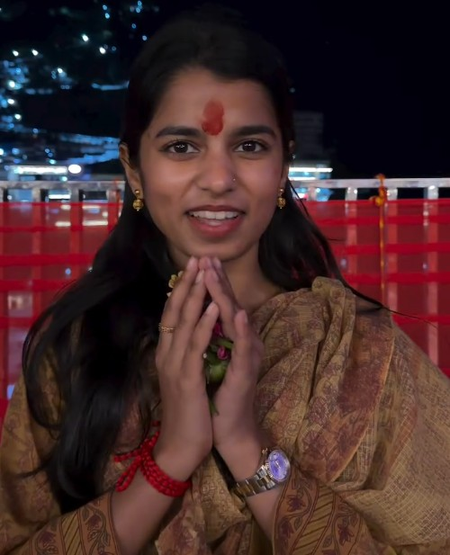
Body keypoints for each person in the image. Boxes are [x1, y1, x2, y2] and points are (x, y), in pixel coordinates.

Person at [1, 5, 450, 555]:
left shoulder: (362, 352)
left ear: (283, 167)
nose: (218, 179)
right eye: (181, 147)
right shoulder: (74, 352)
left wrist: (244, 444)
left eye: (249, 146)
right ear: (134, 169)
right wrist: (173, 456)